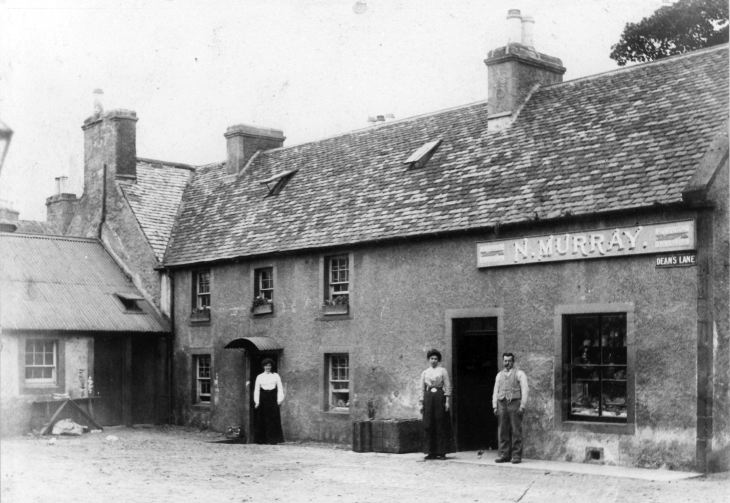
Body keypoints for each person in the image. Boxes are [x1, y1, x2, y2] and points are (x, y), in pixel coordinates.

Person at [492, 352, 529, 464]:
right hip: (502, 404)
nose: (507, 363)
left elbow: (525, 390)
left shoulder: (519, 374)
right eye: (505, 361)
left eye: (509, 361)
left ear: (513, 362)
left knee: (516, 430)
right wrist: (494, 405)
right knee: (503, 430)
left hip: (515, 403)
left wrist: (522, 405)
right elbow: (495, 391)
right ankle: (504, 454)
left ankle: (516, 456)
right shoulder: (499, 375)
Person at [419, 349, 453, 460]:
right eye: (432, 358)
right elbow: (421, 389)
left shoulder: (442, 371)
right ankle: (430, 452)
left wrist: (447, 401)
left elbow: (447, 386)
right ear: (429, 360)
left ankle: (441, 451)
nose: (433, 361)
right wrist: (421, 403)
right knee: (429, 424)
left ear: (438, 360)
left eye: (436, 359)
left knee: (440, 422)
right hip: (428, 398)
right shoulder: (425, 373)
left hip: (439, 396)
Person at [253, 358, 285, 444]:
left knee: (273, 419)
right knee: (262, 418)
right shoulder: (259, 376)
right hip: (263, 398)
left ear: (271, 366)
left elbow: (280, 388)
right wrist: (257, 401)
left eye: (269, 365)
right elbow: (257, 390)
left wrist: (279, 400)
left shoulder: (276, 376)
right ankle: (262, 440)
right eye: (266, 365)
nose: (268, 367)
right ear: (263, 366)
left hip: (273, 397)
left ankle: (273, 440)